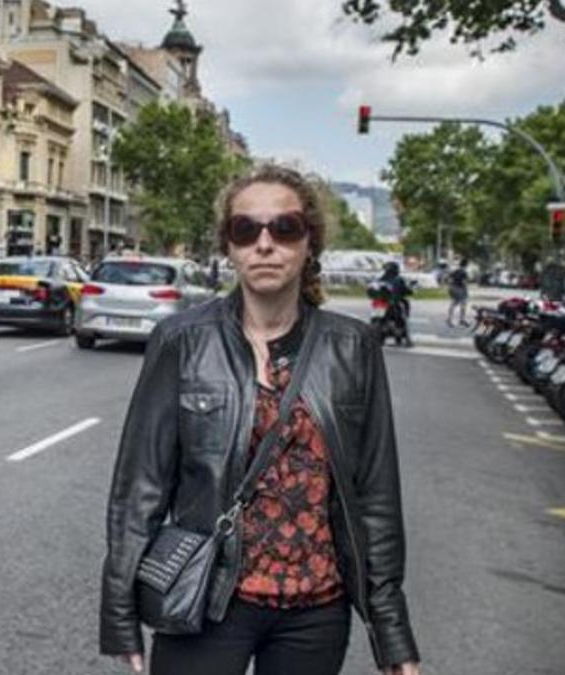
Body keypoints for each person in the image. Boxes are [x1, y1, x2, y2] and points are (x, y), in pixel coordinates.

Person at [100, 164, 420, 675]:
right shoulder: (182, 341)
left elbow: (375, 495)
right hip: (205, 599)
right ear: (229, 246)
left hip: (315, 610)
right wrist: (119, 613)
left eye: (285, 228)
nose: (264, 244)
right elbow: (140, 486)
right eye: (246, 230)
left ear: (309, 242)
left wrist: (391, 632)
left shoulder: (353, 347)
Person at [446, 258, 470, 327]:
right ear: (466, 265)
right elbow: (464, 282)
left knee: (454, 303)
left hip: (452, 288)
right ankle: (461, 319)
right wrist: (466, 288)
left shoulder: (456, 270)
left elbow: (449, 278)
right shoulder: (464, 272)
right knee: (463, 304)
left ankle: (450, 319)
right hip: (460, 289)